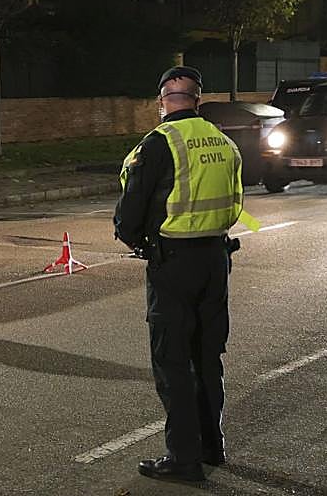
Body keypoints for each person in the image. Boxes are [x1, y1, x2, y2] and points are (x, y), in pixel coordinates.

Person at [113, 65, 246, 483]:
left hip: (173, 263)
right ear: (198, 100)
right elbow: (237, 200)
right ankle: (212, 446)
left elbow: (130, 212)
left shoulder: (157, 144)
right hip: (215, 258)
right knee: (208, 356)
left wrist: (134, 239)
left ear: (162, 102)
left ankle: (184, 458)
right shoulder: (224, 142)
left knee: (173, 360)